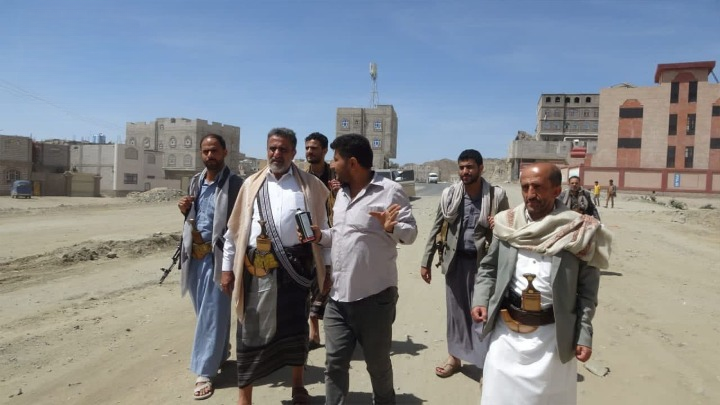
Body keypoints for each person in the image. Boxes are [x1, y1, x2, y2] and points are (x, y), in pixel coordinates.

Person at [471, 162, 612, 405]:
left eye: (537, 187)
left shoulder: (579, 231)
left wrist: (584, 334)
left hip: (552, 340)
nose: (530, 194)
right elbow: (488, 268)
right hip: (506, 334)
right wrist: (481, 299)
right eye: (525, 187)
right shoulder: (507, 224)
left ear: (557, 190)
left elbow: (588, 292)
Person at [222, 128, 331, 405]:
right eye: (272, 148)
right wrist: (226, 269)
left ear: (293, 152)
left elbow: (324, 229)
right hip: (256, 269)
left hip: (296, 270)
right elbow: (234, 232)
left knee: (296, 329)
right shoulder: (251, 185)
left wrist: (327, 268)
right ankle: (244, 396)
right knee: (250, 331)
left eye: (283, 149)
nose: (276, 154)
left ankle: (298, 386)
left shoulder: (311, 186)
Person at [311, 134, 418, 405]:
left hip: (374, 299)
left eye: (335, 159)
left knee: (377, 365)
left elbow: (411, 234)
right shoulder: (341, 194)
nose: (332, 164)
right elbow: (340, 234)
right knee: (334, 363)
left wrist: (392, 227)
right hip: (338, 297)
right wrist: (320, 236)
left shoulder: (390, 191)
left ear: (353, 163)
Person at [419, 149, 509, 378]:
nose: (465, 171)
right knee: (456, 314)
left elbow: (510, 230)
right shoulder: (450, 195)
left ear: (481, 168)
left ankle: (486, 365)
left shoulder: (496, 196)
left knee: (483, 314)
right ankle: (454, 358)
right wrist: (426, 261)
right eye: (461, 167)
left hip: (484, 265)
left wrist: (497, 224)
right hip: (455, 262)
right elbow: (436, 227)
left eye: (470, 167)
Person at [177, 134, 243, 400]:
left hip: (219, 258)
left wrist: (231, 264)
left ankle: (205, 371)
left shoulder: (235, 184)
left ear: (225, 152)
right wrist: (185, 209)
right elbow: (196, 217)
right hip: (195, 257)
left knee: (212, 313)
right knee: (204, 311)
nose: (209, 156)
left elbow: (239, 224)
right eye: (205, 151)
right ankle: (220, 352)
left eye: (214, 150)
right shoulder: (196, 181)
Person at [304, 132, 341, 350]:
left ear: (324, 151)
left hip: (333, 235)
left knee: (329, 283)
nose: (309, 152)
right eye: (307, 148)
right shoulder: (301, 176)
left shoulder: (336, 173)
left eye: (314, 148)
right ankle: (314, 334)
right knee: (312, 285)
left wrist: (339, 192)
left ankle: (339, 332)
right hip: (310, 235)